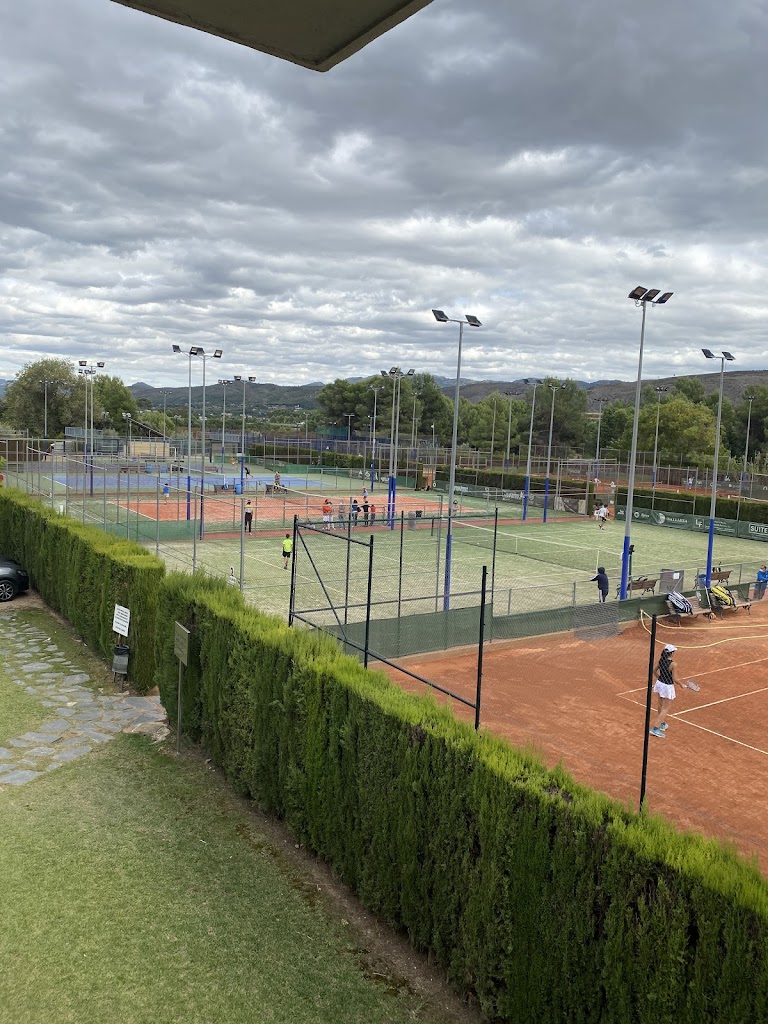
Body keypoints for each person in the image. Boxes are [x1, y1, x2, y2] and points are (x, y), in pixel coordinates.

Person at [650, 644, 679, 738]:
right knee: (665, 708)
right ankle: (655, 728)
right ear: (672, 653)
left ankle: (662, 724)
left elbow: (654, 670)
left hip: (660, 684)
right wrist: (682, 685)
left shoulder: (661, 660)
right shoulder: (673, 664)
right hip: (667, 687)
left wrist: (660, 678)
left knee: (660, 705)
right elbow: (675, 679)